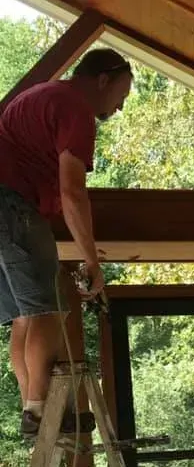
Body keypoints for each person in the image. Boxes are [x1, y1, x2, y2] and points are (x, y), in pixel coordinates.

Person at [0, 48, 133, 439]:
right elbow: (73, 191)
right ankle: (44, 416)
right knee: (48, 311)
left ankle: (33, 409)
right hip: (12, 207)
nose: (120, 108)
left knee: (25, 315)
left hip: (5, 211)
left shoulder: (38, 96)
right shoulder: (75, 108)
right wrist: (92, 263)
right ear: (102, 80)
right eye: (121, 96)